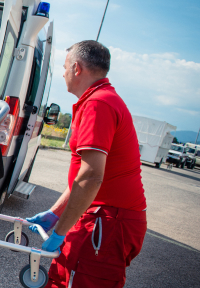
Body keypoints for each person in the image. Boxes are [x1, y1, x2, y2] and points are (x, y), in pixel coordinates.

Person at [27, 40, 147, 288]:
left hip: (107, 220)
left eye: (64, 67)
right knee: (62, 278)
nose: (63, 73)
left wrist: (60, 230)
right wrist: (55, 213)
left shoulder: (98, 104)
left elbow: (91, 177)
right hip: (100, 215)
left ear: (77, 68)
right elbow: (83, 175)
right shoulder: (100, 100)